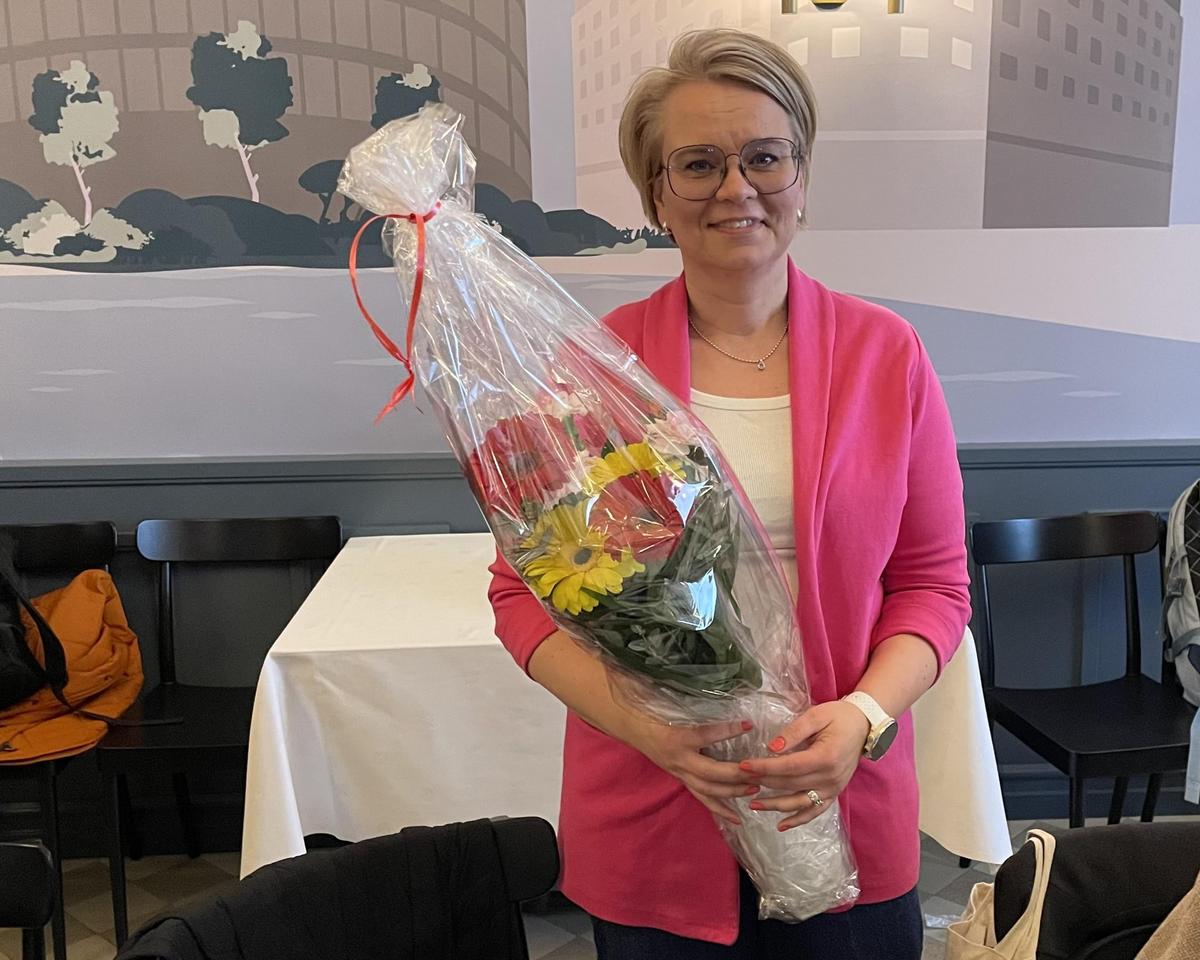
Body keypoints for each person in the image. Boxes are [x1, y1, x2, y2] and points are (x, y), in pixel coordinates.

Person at [488, 28, 971, 960]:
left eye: (764, 157)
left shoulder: (887, 356)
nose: (735, 187)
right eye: (699, 163)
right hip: (655, 809)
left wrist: (864, 718)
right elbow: (521, 596)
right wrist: (650, 731)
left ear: (802, 176)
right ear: (657, 195)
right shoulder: (593, 371)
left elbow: (933, 583)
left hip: (842, 799)